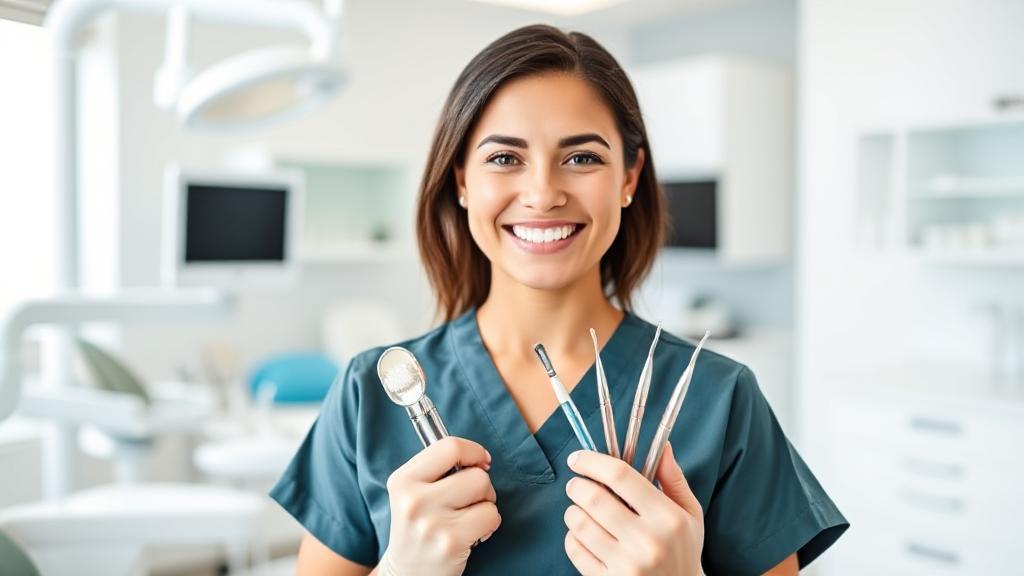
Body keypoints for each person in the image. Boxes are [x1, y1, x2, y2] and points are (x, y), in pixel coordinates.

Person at [270, 24, 848, 576]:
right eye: (504, 158)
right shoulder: (373, 393)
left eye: (582, 157)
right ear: (462, 181)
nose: (543, 193)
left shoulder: (717, 399)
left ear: (629, 176)